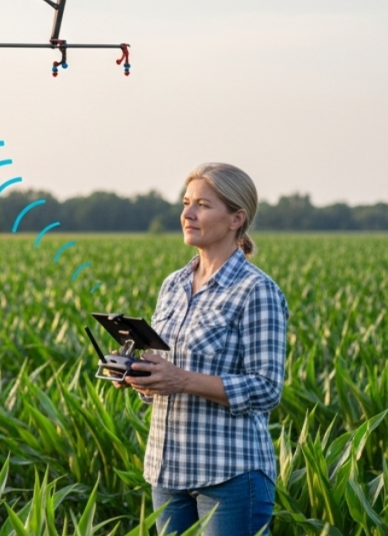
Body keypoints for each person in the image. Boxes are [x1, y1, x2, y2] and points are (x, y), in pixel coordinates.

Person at [121, 163, 288, 536]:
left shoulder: (255, 291)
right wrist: (143, 378)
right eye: (186, 202)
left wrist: (181, 379)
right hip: (168, 471)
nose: (188, 214)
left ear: (236, 219)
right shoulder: (173, 285)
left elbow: (266, 388)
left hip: (230, 475)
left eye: (202, 205)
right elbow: (167, 374)